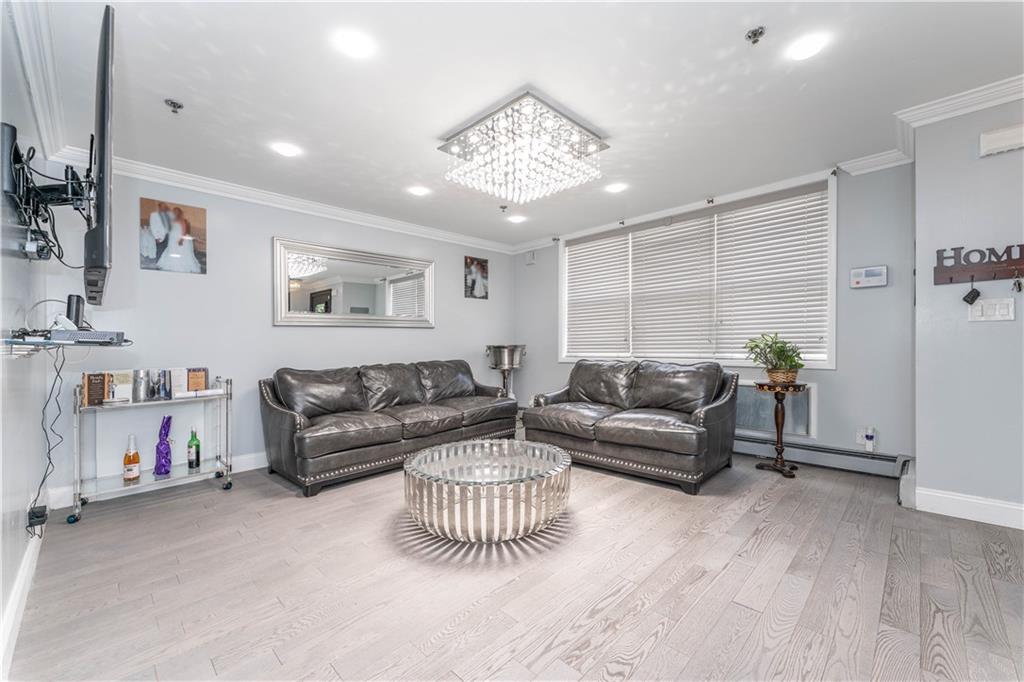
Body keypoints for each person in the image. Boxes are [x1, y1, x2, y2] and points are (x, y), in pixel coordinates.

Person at [156, 206, 203, 273]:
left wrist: (181, 240)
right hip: (172, 240)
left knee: (181, 253)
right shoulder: (171, 220)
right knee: (171, 251)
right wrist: (160, 237)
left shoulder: (182, 220)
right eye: (174, 212)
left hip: (180, 239)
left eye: (176, 212)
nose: (175, 213)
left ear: (179, 213)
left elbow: (184, 231)